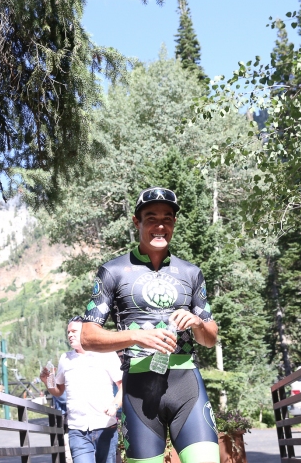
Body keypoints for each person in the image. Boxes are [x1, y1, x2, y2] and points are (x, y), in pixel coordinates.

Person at [81, 187, 220, 463]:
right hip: (138, 389)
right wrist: (135, 337)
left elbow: (210, 338)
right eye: (151, 218)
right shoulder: (113, 271)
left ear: (174, 224)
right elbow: (87, 336)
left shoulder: (192, 273)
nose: (160, 226)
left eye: (167, 219)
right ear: (137, 222)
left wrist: (196, 323)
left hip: (187, 384)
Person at [41, 317, 123, 463]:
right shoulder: (65, 358)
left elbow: (123, 386)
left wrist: (115, 405)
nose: (70, 335)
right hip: (77, 430)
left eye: (74, 331)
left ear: (86, 333)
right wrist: (47, 382)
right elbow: (59, 390)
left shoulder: (107, 354)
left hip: (105, 426)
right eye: (68, 332)